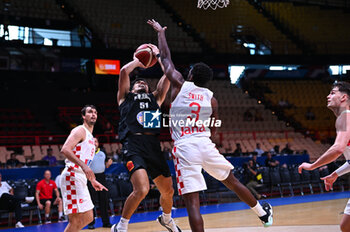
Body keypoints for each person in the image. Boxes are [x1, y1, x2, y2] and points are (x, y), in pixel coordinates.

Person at [148, 19, 273, 232]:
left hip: (186, 146)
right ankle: (263, 215)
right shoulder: (211, 98)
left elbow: (167, 59)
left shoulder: (180, 84)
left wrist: (160, 33)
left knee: (192, 202)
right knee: (233, 182)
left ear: (192, 76)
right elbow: (214, 127)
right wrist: (207, 137)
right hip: (205, 143)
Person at [111, 44, 181, 232]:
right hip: (132, 144)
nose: (141, 83)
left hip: (152, 145)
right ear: (132, 88)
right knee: (142, 189)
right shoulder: (125, 98)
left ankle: (167, 219)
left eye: (144, 83)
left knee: (168, 190)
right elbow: (124, 71)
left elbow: (169, 73)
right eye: (138, 83)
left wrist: (158, 56)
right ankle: (122, 225)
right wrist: (139, 60)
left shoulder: (155, 98)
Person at [299, 81, 350, 232]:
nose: (328, 96)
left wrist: (312, 166)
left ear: (343, 98)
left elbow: (337, 148)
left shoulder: (345, 116)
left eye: (333, 93)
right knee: (346, 226)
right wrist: (335, 174)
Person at [60, 105, 107, 232]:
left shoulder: (91, 138)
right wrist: (84, 166)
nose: (93, 114)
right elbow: (65, 149)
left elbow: (85, 161)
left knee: (88, 217)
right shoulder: (80, 130)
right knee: (76, 219)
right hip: (72, 175)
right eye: (90, 112)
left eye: (95, 112)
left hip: (80, 177)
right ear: (83, 116)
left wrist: (92, 180)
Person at [87, 137, 113, 229]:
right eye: (92, 141)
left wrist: (109, 163)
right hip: (91, 178)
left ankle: (106, 222)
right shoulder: (87, 153)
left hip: (101, 177)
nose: (94, 143)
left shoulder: (103, 153)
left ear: (98, 143)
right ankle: (91, 223)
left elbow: (106, 165)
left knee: (104, 201)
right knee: (91, 202)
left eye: (96, 141)